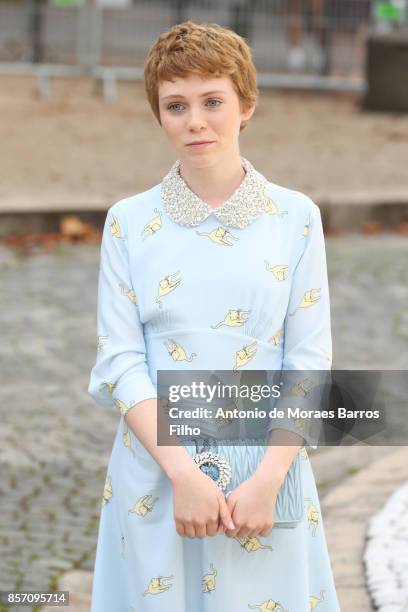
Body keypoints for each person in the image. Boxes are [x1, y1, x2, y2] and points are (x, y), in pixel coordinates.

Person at [87, 20, 341, 611]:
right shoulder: (128, 222)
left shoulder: (295, 217)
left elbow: (308, 359)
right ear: (159, 115)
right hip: (156, 472)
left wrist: (270, 479)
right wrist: (183, 476)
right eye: (176, 105)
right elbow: (120, 360)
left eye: (212, 101)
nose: (195, 120)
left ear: (246, 105)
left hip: (265, 474)